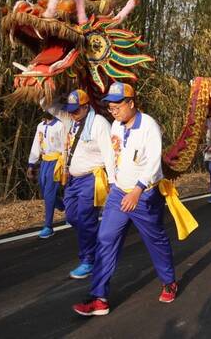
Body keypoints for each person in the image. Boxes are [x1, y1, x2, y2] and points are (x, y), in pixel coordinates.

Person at [73, 82, 196, 316]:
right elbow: (114, 155)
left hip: (145, 195)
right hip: (119, 192)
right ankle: (99, 298)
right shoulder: (116, 127)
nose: (113, 110)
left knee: (155, 240)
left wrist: (137, 190)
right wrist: (112, 182)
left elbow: (152, 163)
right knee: (106, 238)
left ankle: (169, 281)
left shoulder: (149, 127)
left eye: (117, 105)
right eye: (110, 107)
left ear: (131, 103)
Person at [60, 89, 116, 280]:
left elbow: (109, 153)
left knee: (85, 219)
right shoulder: (70, 121)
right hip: (73, 180)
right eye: (71, 111)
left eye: (76, 110)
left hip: (91, 179)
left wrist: (113, 182)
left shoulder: (99, 123)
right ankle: (96, 238)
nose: (72, 114)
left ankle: (88, 260)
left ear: (86, 107)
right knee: (72, 217)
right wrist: (39, 90)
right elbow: (50, 108)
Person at [27, 112, 66, 238]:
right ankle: (64, 206)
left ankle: (48, 226)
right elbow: (36, 145)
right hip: (45, 161)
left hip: (56, 161)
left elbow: (65, 145)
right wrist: (31, 164)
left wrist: (65, 164)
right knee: (44, 192)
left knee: (49, 192)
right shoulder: (40, 126)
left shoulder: (60, 125)